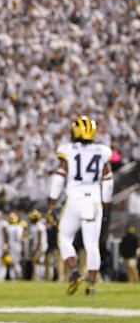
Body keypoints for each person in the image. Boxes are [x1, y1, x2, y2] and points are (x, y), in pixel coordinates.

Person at [46, 116, 113, 296]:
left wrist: (51, 204)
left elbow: (58, 178)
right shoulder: (102, 151)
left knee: (64, 238)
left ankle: (74, 270)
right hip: (94, 199)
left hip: (74, 198)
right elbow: (108, 182)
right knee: (92, 244)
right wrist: (106, 207)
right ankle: (91, 286)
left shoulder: (68, 150)